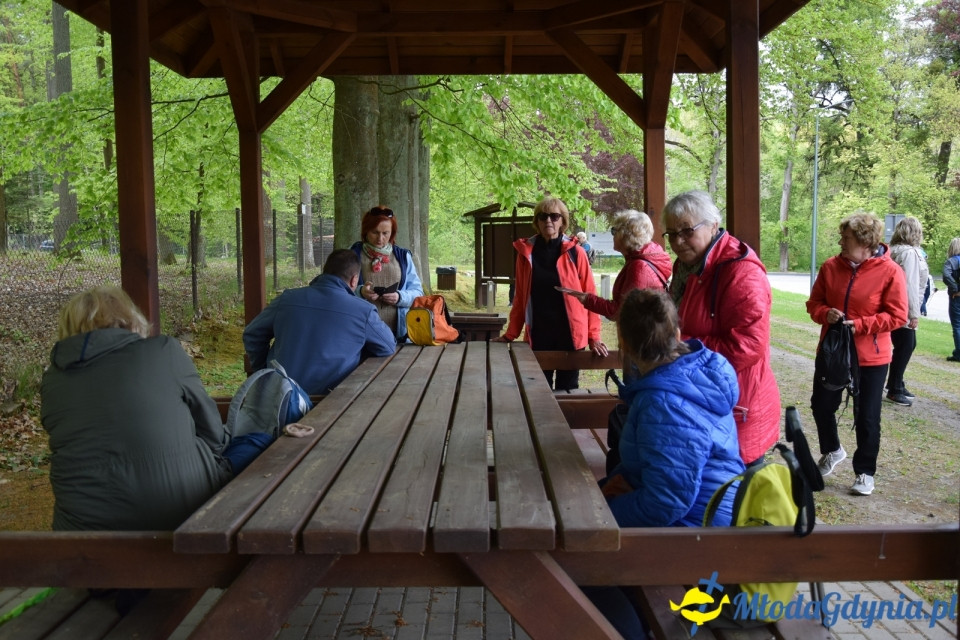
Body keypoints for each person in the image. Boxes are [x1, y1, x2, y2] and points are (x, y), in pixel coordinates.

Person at [583, 288, 745, 638]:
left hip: (700, 532)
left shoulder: (664, 402)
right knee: (581, 524)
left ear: (623, 342)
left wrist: (600, 517)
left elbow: (665, 501)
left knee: (580, 559)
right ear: (677, 334)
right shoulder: (695, 373)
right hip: (706, 514)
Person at [40, 286, 257, 531]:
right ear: (129, 318)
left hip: (80, 529)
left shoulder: (52, 380)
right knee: (259, 440)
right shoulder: (164, 351)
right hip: (178, 513)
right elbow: (215, 436)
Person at [662, 190, 780, 466]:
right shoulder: (688, 265)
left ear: (713, 225)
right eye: (671, 233)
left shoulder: (741, 272)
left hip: (737, 403)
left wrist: (678, 344)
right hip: (703, 395)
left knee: (735, 496)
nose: (678, 241)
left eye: (687, 231)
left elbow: (746, 347)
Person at [807, 212, 907, 496]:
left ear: (865, 241)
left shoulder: (890, 271)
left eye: (846, 238)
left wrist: (860, 325)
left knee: (867, 416)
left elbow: (897, 316)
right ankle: (832, 450)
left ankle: (864, 472)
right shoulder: (830, 267)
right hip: (833, 352)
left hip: (871, 356)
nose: (841, 241)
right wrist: (826, 313)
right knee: (822, 405)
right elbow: (814, 303)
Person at [244, 249, 396, 396]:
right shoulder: (364, 311)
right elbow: (388, 346)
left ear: (325, 271)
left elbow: (252, 334)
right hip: (331, 402)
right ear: (354, 279)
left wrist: (263, 371)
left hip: (280, 398)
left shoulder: (286, 299)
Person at [493, 196, 607, 390]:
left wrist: (593, 337)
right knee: (538, 392)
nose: (548, 221)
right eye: (543, 216)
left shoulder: (576, 252)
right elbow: (520, 297)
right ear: (536, 221)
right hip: (539, 334)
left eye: (554, 217)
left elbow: (590, 296)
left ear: (562, 221)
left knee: (568, 392)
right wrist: (511, 334)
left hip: (570, 336)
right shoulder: (526, 254)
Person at [559, 209, 671, 383]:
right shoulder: (641, 259)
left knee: (635, 399)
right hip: (645, 344)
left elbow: (622, 311)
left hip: (640, 347)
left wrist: (587, 299)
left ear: (626, 235)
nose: (612, 235)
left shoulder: (639, 267)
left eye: (614, 230)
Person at [351, 205, 424, 341]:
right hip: (361, 334)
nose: (380, 238)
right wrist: (361, 292)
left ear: (392, 233)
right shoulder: (352, 254)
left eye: (385, 233)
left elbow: (418, 293)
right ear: (366, 231)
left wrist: (399, 297)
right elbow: (339, 289)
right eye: (375, 232)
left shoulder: (403, 256)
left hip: (399, 335)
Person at [885, 217, 928, 406]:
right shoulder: (909, 253)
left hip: (891, 305)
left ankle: (897, 383)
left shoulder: (891, 251)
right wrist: (913, 314)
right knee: (906, 346)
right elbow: (910, 285)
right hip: (902, 308)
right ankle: (894, 387)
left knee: (904, 346)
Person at [945, 237, 960, 362]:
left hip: (956, 297)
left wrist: (955, 289)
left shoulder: (951, 261)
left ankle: (958, 353)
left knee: (957, 325)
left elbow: (946, 275)